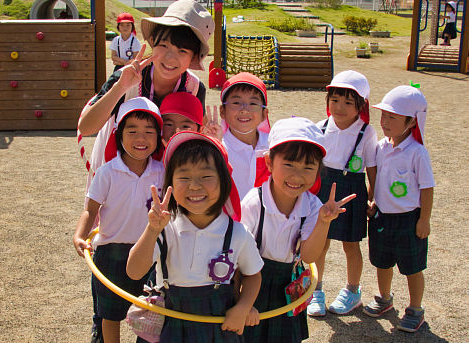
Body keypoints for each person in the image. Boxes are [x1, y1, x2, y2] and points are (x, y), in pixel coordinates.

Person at [78, 2, 214, 339]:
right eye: (164, 44)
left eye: (182, 50)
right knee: (111, 239)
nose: (170, 56)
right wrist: (122, 84)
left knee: (156, 245)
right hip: (118, 161)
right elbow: (88, 124)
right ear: (153, 43)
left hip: (162, 174)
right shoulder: (130, 73)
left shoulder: (195, 87)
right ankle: (104, 319)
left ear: (193, 58)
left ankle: (148, 320)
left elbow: (193, 139)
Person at [127, 131, 264, 342]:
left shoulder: (237, 233)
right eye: (184, 177)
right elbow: (134, 272)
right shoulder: (164, 228)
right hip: (169, 322)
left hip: (218, 326)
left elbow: (253, 275)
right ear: (170, 182)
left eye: (206, 176)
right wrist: (152, 230)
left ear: (224, 181)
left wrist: (243, 307)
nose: (194, 185)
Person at [240, 117, 357, 342]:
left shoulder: (312, 205)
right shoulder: (254, 203)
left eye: (308, 167)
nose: (297, 176)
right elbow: (239, 257)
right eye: (289, 165)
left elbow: (309, 255)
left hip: (288, 283)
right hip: (252, 281)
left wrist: (324, 221)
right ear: (269, 162)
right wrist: (243, 302)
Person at [73, 97, 164, 343]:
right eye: (132, 131)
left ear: (158, 137)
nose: (140, 139)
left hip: (150, 254)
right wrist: (80, 235)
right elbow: (90, 210)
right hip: (111, 252)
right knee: (110, 314)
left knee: (150, 313)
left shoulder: (163, 171)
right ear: (118, 135)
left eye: (149, 131)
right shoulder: (107, 172)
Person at [363, 85, 434, 333]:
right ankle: (385, 298)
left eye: (392, 117)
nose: (385, 121)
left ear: (411, 121)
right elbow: (376, 179)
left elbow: (427, 188)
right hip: (382, 217)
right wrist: (371, 200)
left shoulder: (417, 153)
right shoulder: (381, 147)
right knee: (382, 262)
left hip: (408, 220)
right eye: (383, 115)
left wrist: (424, 219)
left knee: (412, 267)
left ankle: (415, 309)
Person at [307, 70, 378, 317]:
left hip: (352, 190)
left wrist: (373, 195)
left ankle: (352, 291)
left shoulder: (366, 132)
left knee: (351, 245)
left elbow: (372, 168)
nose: (340, 107)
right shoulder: (320, 127)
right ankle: (315, 291)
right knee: (320, 243)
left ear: (361, 106)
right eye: (335, 100)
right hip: (323, 189)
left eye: (349, 102)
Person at [219, 72, 271, 200]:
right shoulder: (218, 149)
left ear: (264, 114)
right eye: (236, 102)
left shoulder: (274, 146)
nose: (244, 110)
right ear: (222, 111)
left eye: (253, 104)